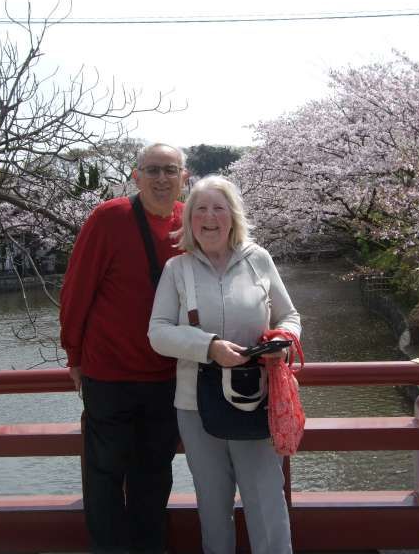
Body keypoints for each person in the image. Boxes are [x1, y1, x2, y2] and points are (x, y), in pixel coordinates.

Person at [148, 175, 300, 554]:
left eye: (219, 208)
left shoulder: (258, 260)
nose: (209, 218)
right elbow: (158, 333)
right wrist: (209, 347)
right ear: (189, 220)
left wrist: (282, 340)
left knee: (266, 499)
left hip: (256, 398)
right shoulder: (177, 270)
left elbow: (290, 316)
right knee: (213, 504)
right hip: (196, 405)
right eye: (200, 209)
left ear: (233, 216)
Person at [59, 143, 189, 554]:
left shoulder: (192, 220)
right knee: (105, 478)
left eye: (171, 170)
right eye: (152, 170)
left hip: (168, 377)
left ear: (185, 177)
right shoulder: (109, 217)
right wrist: (73, 354)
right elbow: (77, 290)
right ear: (136, 176)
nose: (162, 178)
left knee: (154, 477)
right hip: (109, 374)